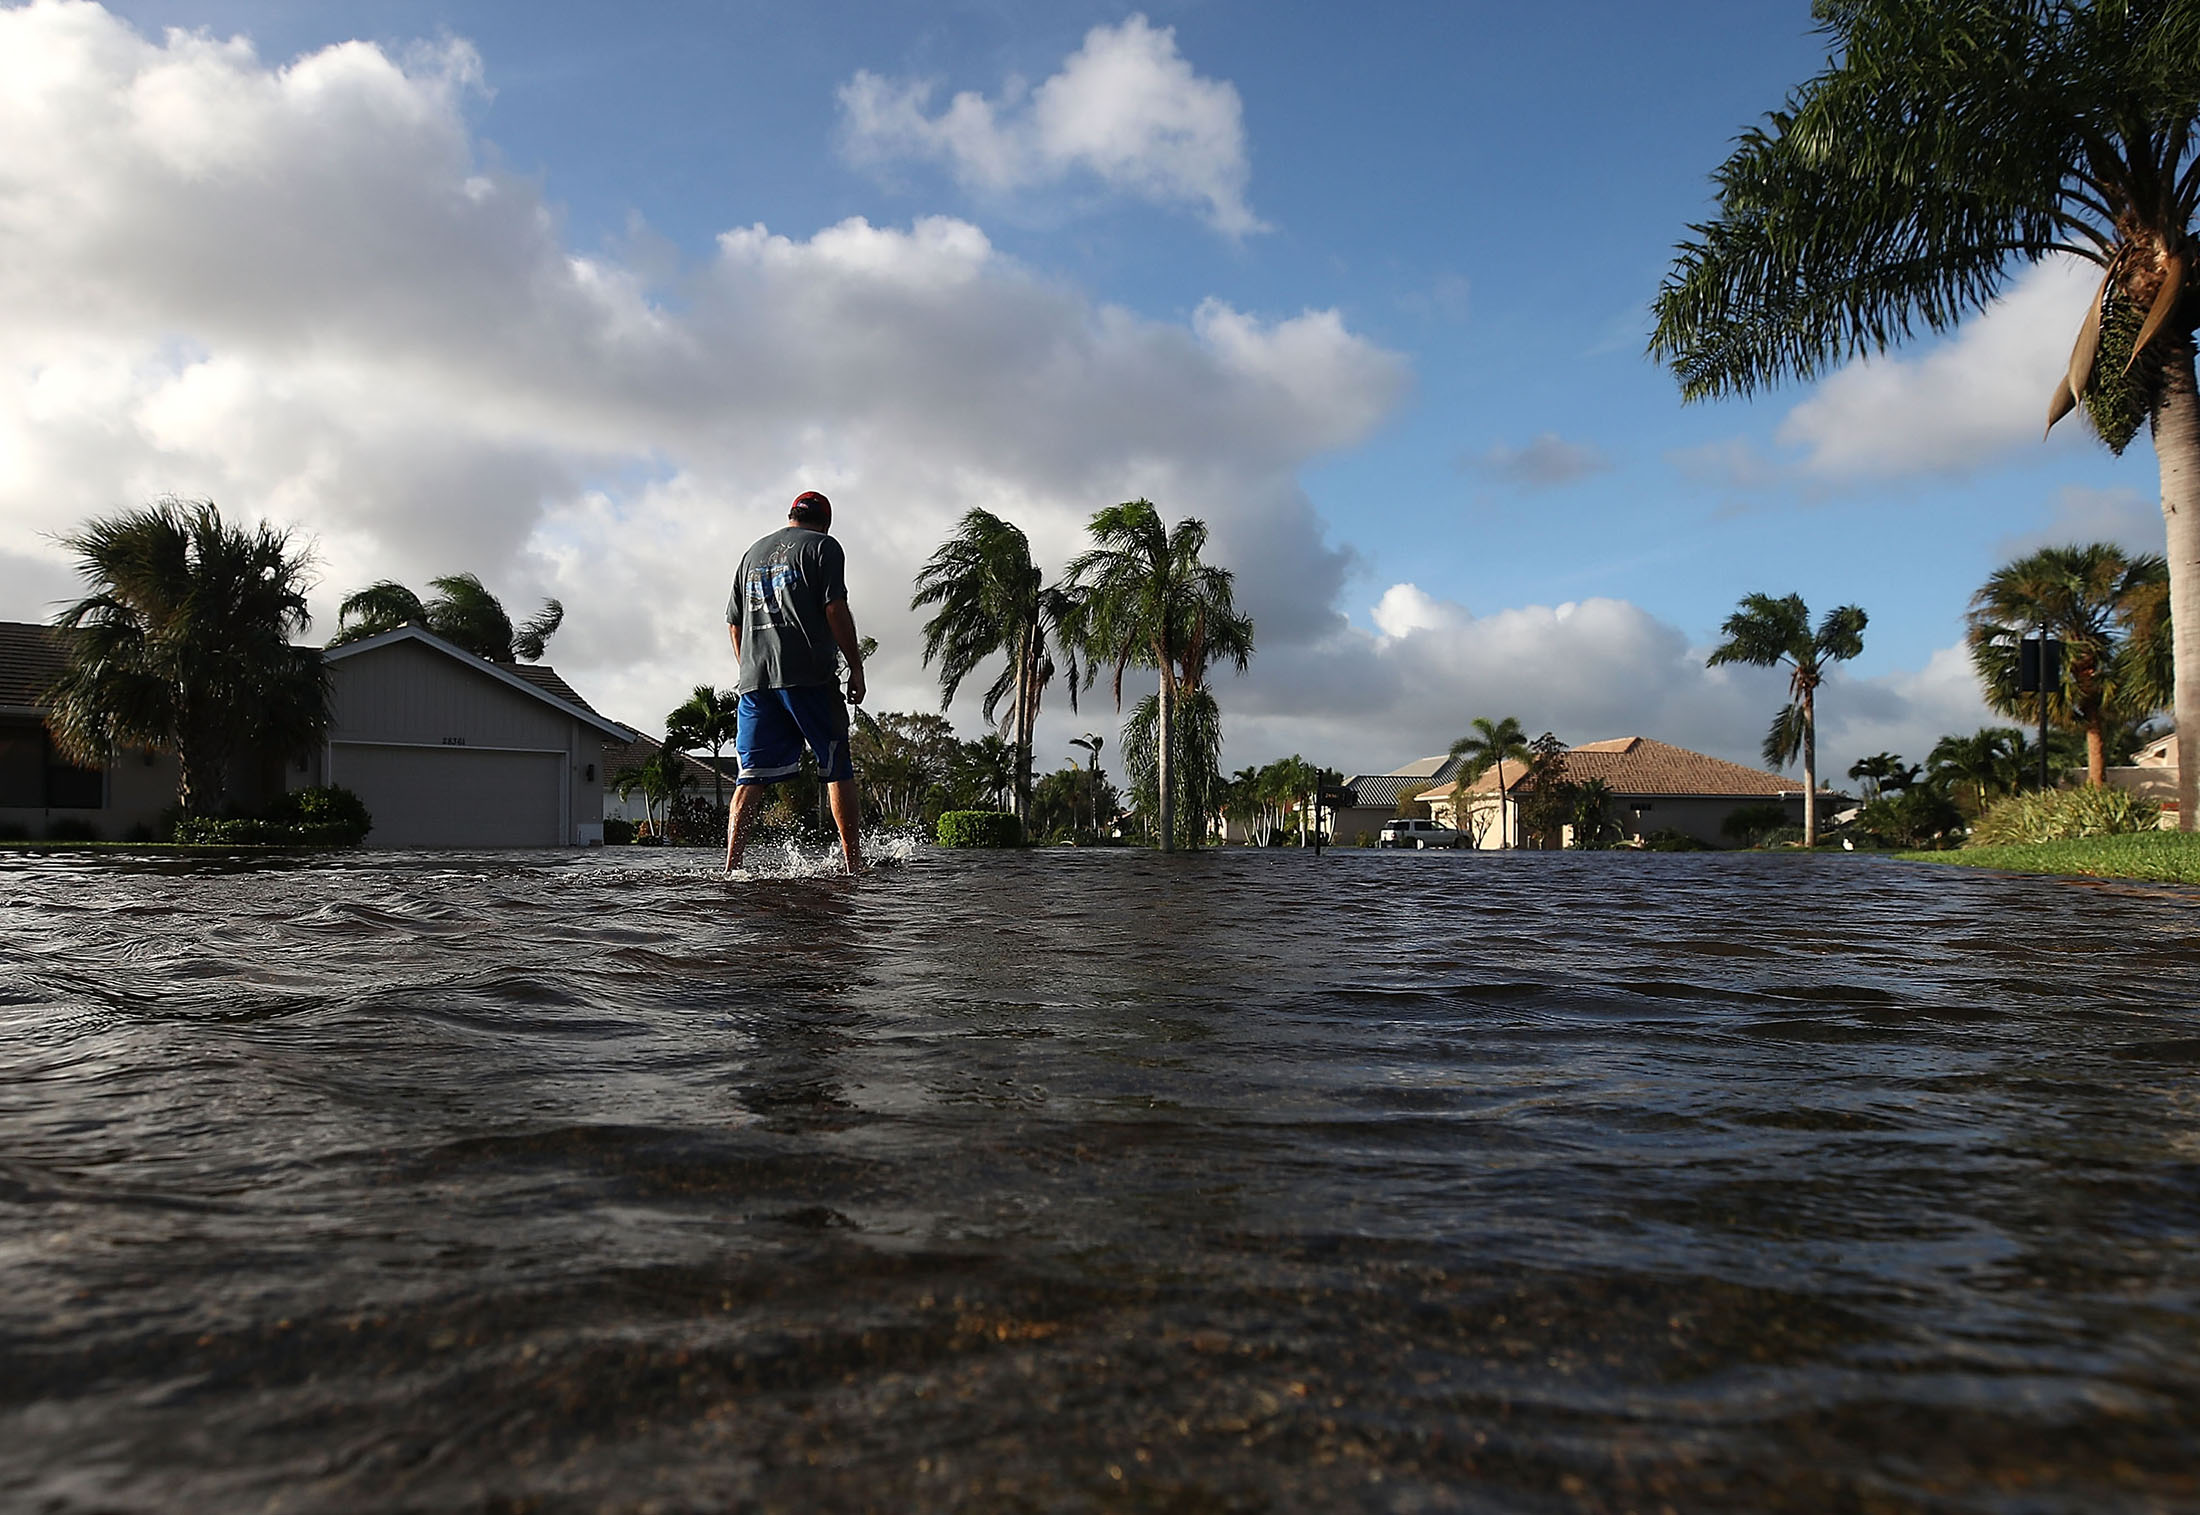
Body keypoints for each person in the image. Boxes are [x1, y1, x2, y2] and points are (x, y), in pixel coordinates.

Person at [724, 490, 867, 873]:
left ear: (791, 516)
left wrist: (749, 668)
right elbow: (834, 608)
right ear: (824, 522)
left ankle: (731, 867)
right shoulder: (824, 547)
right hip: (809, 678)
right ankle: (854, 865)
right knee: (837, 766)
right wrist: (855, 666)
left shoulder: (751, 553)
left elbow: (734, 624)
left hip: (755, 682)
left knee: (749, 777)